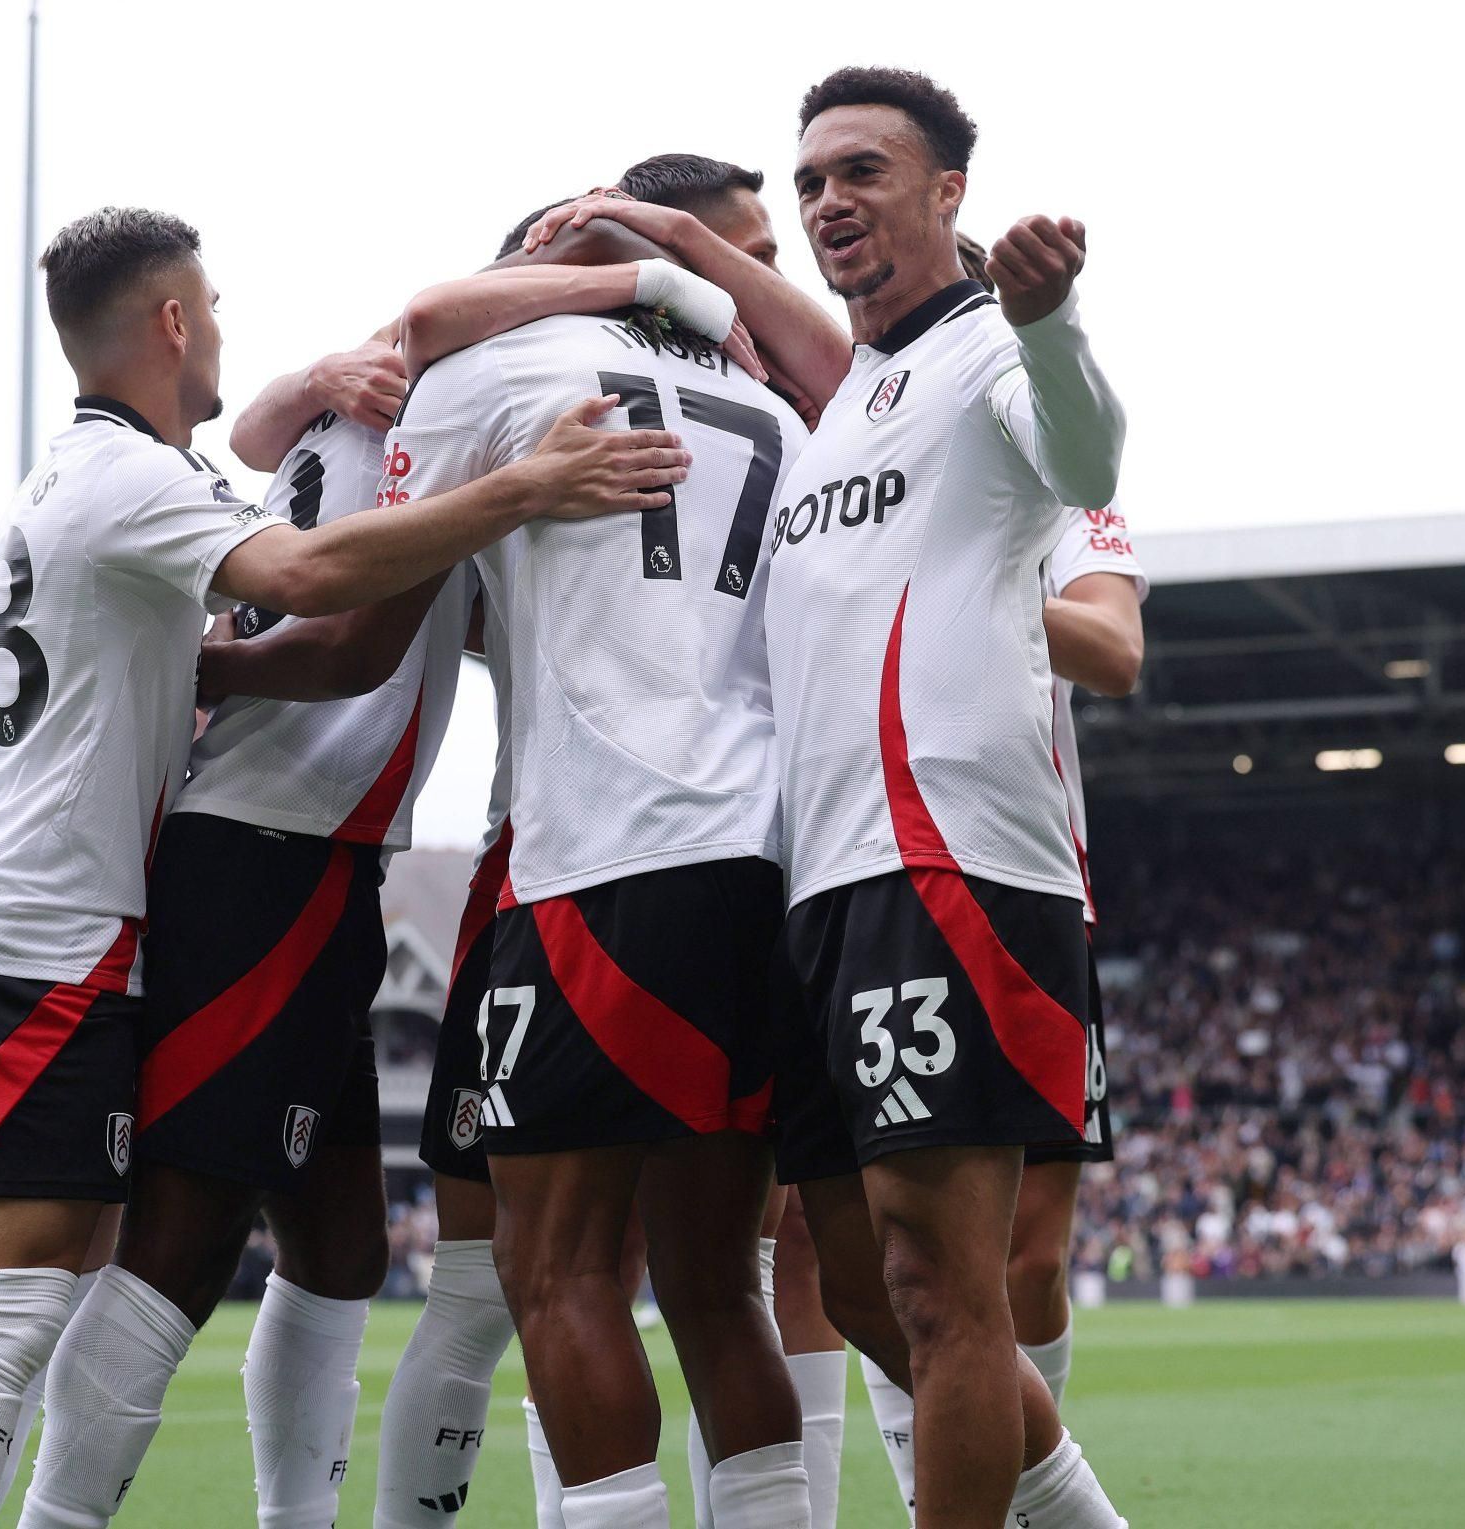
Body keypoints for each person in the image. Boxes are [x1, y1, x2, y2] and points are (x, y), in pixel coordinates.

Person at [0, 203, 689, 1529]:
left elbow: (270, 447)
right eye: (206, 308)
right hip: (255, 851)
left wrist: (321, 396)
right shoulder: (445, 403)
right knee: (145, 1250)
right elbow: (330, 610)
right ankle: (60, 1516)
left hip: (292, 863)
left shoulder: (267, 430)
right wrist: (528, 478)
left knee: (335, 1244)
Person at [379, 201, 815, 1527]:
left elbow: (387, 592)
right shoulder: (783, 416)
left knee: (556, 1268)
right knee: (716, 1284)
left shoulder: (499, 368)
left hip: (605, 857)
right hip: (769, 854)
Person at [763, 66, 1128, 1529]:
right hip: (823, 879)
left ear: (946, 192)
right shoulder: (842, 405)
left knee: (943, 1283)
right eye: (811, 183)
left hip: (949, 863)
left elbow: (1092, 456)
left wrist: (1054, 321)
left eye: (862, 171)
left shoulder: (991, 354)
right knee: (856, 1278)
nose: (829, 202)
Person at [860, 490, 1145, 1517]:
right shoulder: (846, 471)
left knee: (1027, 1257)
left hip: (1026, 888)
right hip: (861, 876)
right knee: (893, 1260)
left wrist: (972, 587)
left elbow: (1113, 647)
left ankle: (1022, 1499)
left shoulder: (1051, 492)